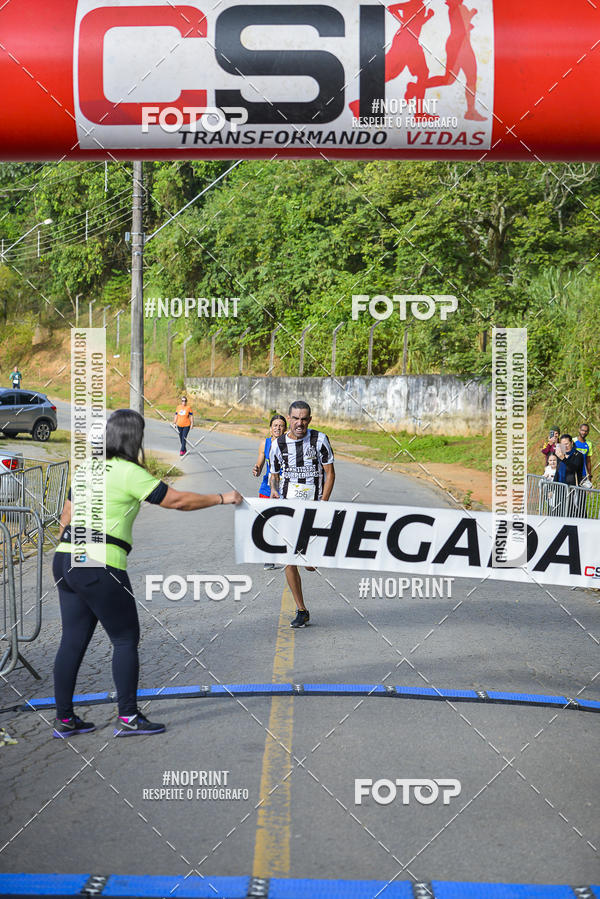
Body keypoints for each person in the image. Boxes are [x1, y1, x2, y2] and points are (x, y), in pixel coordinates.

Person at [52, 409, 242, 738]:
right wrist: (222, 497)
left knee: (71, 641)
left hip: (66, 559)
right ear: (133, 438)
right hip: (100, 562)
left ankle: (65, 720)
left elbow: (64, 519)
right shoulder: (129, 472)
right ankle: (127, 717)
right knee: (125, 639)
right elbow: (177, 500)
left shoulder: (88, 468)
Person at [269, 401, 335, 628]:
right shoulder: (278, 444)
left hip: (314, 510)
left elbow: (330, 474)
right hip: (288, 510)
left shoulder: (320, 440)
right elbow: (274, 474)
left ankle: (313, 556)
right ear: (289, 418)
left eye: (304, 418)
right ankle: (301, 609)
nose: (300, 423)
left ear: (310, 419)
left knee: (310, 565)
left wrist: (323, 505)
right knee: (289, 559)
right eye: (296, 418)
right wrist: (275, 491)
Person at [253, 413, 287, 571]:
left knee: (283, 522)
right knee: (267, 522)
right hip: (267, 488)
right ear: (270, 428)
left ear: (285, 428)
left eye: (281, 425)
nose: (278, 428)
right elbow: (260, 462)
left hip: (286, 488)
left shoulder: (289, 443)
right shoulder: (264, 443)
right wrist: (257, 469)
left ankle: (284, 555)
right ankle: (268, 559)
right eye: (275, 425)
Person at [554, 433, 586, 518]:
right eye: (563, 445)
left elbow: (574, 468)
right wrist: (553, 487)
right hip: (560, 489)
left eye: (567, 444)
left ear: (571, 443)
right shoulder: (560, 455)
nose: (565, 446)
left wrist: (563, 459)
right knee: (560, 513)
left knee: (574, 513)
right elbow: (557, 471)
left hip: (573, 489)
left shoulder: (578, 455)